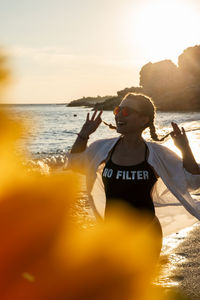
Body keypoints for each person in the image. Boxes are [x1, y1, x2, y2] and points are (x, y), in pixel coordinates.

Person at [66, 93, 200, 255]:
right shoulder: (103, 148)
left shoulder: (156, 154)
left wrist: (184, 148)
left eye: (126, 111)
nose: (119, 115)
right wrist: (83, 135)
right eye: (117, 110)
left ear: (144, 119)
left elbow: (193, 181)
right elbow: (75, 164)